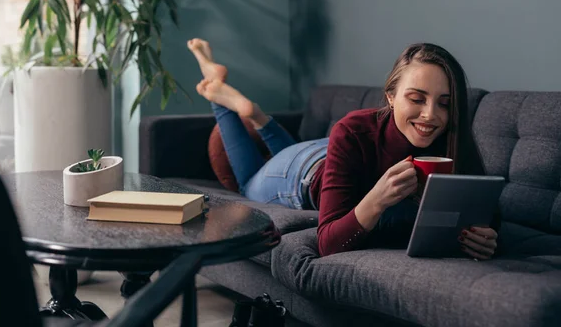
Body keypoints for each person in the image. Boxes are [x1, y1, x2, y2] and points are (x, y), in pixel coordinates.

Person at [187, 39, 499, 260]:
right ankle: (222, 100)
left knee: (293, 150)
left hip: (326, 152)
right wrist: (376, 199)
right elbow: (327, 244)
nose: (431, 115)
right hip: (298, 176)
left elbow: (486, 214)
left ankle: (258, 117)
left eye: (444, 103)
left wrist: (485, 238)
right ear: (391, 96)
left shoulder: (453, 140)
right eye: (416, 99)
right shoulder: (354, 128)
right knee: (246, 184)